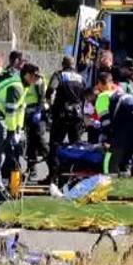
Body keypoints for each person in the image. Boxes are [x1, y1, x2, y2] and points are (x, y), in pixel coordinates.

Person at [0, 63, 42, 202]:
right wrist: (11, 132)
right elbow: (11, 111)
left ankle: (4, 185)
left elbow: (20, 110)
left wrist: (18, 129)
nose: (37, 80)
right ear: (27, 75)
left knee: (7, 152)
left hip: (1, 117)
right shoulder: (16, 86)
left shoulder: (24, 86)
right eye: (35, 77)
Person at [43, 56, 85, 184]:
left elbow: (51, 89)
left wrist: (49, 102)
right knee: (76, 146)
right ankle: (76, 176)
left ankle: (53, 177)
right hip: (77, 115)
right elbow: (84, 95)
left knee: (55, 145)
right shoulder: (81, 77)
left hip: (61, 115)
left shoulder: (59, 75)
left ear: (63, 64)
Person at [106, 87, 133, 175]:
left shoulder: (113, 98)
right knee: (128, 156)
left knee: (114, 156)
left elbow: (113, 119)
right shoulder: (131, 97)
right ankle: (125, 175)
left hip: (128, 123)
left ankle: (112, 177)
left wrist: (109, 138)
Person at [23, 65, 49, 181]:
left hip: (38, 113)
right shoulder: (24, 81)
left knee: (40, 141)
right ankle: (31, 169)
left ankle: (53, 167)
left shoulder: (40, 81)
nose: (36, 78)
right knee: (30, 143)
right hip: (27, 113)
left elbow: (43, 98)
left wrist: (39, 111)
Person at [91, 72, 117, 144]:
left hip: (110, 132)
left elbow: (105, 122)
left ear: (99, 83)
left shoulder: (102, 97)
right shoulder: (119, 91)